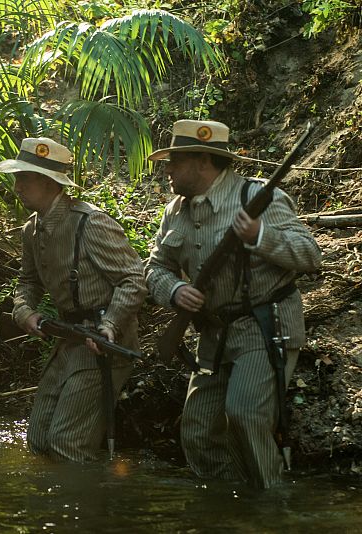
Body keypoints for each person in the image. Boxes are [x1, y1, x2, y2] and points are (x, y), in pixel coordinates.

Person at [144, 119, 322, 488]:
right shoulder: (175, 211)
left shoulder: (257, 198)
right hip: (213, 333)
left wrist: (261, 236)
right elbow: (156, 266)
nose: (167, 169)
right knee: (197, 431)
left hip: (265, 325)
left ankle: (270, 506)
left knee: (245, 414)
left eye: (175, 160)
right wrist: (175, 290)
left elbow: (310, 254)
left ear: (203, 162)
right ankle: (229, 505)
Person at [0, 137, 146, 462]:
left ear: (50, 183)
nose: (17, 186)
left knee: (67, 444)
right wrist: (24, 311)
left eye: (25, 178)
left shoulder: (90, 223)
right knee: (36, 440)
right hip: (68, 341)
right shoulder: (31, 229)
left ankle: (84, 509)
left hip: (104, 347)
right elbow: (28, 282)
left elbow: (134, 279)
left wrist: (110, 324)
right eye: (16, 177)